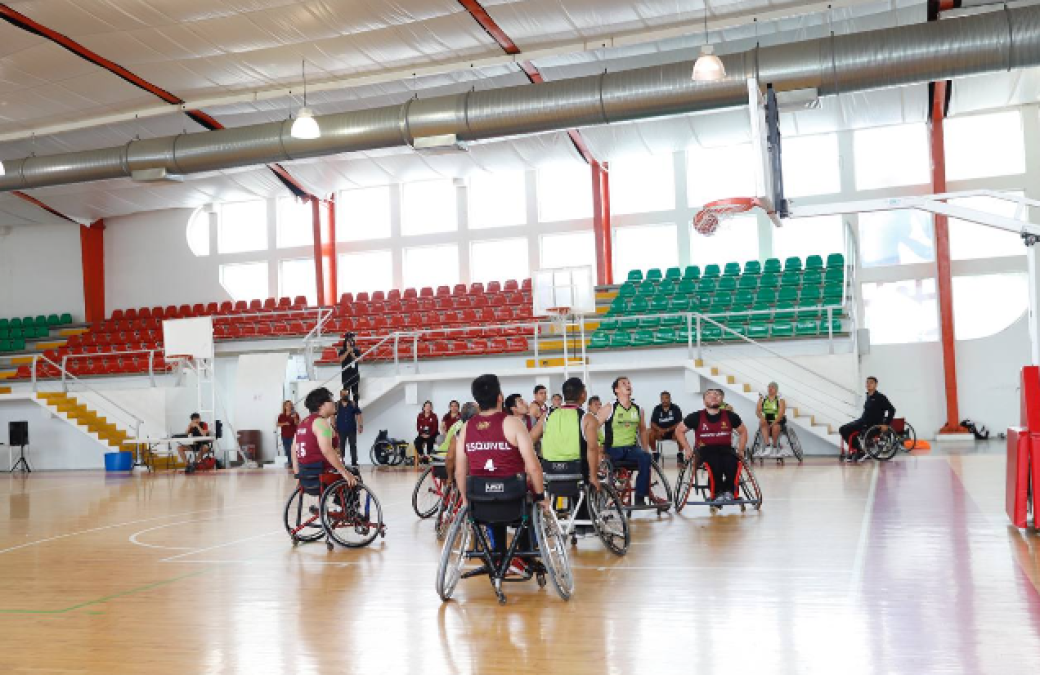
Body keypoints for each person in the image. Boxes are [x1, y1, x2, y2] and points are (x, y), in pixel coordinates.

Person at [456, 374, 547, 567]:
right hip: (513, 500)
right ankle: (525, 554)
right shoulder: (513, 423)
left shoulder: (466, 428)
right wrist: (541, 497)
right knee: (531, 502)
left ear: (477, 401)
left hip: (479, 500)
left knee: (492, 501)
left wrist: (465, 500)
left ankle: (498, 553)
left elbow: (460, 471)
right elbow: (533, 466)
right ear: (500, 397)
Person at [674, 388, 748, 504]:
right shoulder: (695, 417)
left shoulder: (730, 416)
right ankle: (717, 492)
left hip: (726, 449)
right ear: (704, 401)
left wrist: (741, 449)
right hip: (704, 450)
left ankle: (729, 491)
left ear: (721, 400)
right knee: (715, 462)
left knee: (732, 463)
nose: (714, 396)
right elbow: (679, 430)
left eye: (717, 394)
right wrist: (687, 449)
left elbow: (743, 431)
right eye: (709, 394)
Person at [597, 376, 653, 506]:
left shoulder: (638, 409)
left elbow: (643, 430)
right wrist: (600, 446)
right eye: (623, 384)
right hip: (613, 449)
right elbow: (594, 427)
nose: (628, 385)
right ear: (616, 390)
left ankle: (640, 497)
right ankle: (612, 492)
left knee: (646, 457)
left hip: (632, 448)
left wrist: (645, 449)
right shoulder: (609, 408)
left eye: (629, 383)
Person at [542, 377, 601, 491]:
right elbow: (592, 448)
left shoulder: (548, 416)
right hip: (576, 469)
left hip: (550, 469)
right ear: (583, 394)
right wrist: (593, 477)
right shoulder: (588, 418)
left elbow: (531, 438)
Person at [291, 387, 357, 489]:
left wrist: (298, 475)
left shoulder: (302, 423)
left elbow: (293, 450)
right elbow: (326, 450)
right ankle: (346, 504)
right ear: (321, 405)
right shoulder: (321, 422)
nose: (334, 402)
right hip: (321, 474)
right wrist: (344, 472)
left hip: (306, 475)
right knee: (354, 474)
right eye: (330, 400)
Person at [840, 376, 896, 463]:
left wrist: (886, 424)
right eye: (867, 382)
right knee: (842, 429)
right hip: (862, 421)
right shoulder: (868, 397)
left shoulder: (880, 397)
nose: (868, 384)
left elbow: (892, 410)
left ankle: (859, 452)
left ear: (876, 385)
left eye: (871, 383)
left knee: (848, 429)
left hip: (872, 425)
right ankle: (858, 450)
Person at [441, 402, 479, 480]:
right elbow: (451, 456)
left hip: (453, 452)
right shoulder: (461, 428)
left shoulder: (461, 423)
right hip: (447, 452)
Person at [648, 391, 683, 463]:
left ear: (670, 399)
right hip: (660, 432)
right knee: (650, 432)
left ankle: (680, 454)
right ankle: (655, 453)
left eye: (666, 398)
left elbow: (679, 422)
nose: (664, 400)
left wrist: (668, 429)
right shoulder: (657, 408)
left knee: (680, 432)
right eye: (662, 398)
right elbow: (652, 423)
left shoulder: (675, 408)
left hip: (673, 432)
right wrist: (660, 430)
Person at [756, 382, 786, 458]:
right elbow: (758, 411)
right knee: (762, 422)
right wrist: (762, 418)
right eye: (769, 387)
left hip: (778, 418)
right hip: (767, 417)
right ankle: (768, 446)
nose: (770, 389)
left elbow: (781, 413)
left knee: (775, 427)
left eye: (772, 387)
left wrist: (773, 423)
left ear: (776, 389)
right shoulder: (764, 398)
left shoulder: (780, 399)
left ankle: (775, 447)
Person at [335, 390, 363, 467]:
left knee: (353, 445)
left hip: (351, 429)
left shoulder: (353, 404)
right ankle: (341, 461)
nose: (346, 396)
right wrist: (333, 427)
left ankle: (354, 461)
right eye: (344, 394)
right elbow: (332, 415)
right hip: (340, 429)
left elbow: (359, 414)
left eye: (347, 394)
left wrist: (360, 426)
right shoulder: (337, 404)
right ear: (340, 395)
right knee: (341, 445)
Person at [337, 332, 362, 401]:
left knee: (355, 393)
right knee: (346, 394)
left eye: (351, 340)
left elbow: (360, 360)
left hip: (354, 374)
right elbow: (341, 359)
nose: (349, 342)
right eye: (348, 341)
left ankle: (356, 408)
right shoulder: (342, 351)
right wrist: (347, 351)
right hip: (346, 375)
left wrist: (353, 354)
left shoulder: (357, 350)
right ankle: (347, 409)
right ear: (345, 342)